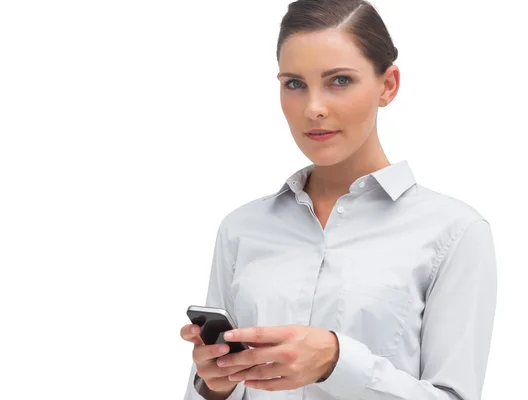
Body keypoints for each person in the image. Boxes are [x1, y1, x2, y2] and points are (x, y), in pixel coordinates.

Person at [180, 1, 497, 399]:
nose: (313, 108)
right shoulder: (242, 228)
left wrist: (336, 361)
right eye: (294, 83)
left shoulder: (455, 233)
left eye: (340, 81)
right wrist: (214, 386)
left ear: (388, 85)